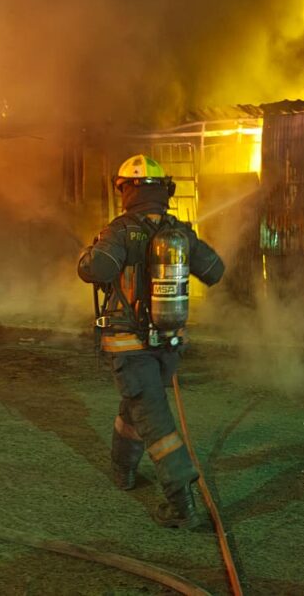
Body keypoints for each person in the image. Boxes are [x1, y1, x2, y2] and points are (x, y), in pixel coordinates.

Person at [77, 154, 224, 529]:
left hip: (130, 344)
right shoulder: (177, 232)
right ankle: (122, 469)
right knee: (138, 406)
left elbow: (98, 269)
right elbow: (215, 270)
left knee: (155, 421)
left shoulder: (121, 230)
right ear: (165, 191)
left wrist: (87, 254)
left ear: (125, 190)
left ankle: (181, 502)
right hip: (168, 343)